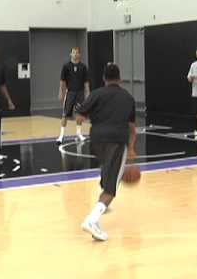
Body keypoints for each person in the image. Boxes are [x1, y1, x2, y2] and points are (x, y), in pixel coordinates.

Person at [76, 63, 137, 241]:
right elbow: (132, 128)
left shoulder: (96, 94)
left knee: (106, 170)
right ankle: (92, 220)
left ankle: (101, 203)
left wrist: (95, 117)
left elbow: (79, 117)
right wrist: (132, 148)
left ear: (104, 78)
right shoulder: (128, 97)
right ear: (120, 78)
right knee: (112, 188)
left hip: (96, 142)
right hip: (116, 141)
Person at [56, 47, 90, 144]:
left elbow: (86, 81)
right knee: (65, 114)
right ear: (70, 54)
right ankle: (61, 136)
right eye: (73, 53)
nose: (75, 54)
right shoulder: (66, 66)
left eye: (77, 53)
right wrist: (61, 92)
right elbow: (62, 81)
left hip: (80, 93)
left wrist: (88, 93)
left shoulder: (83, 67)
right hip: (70, 92)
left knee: (79, 113)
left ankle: (78, 133)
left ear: (79, 54)